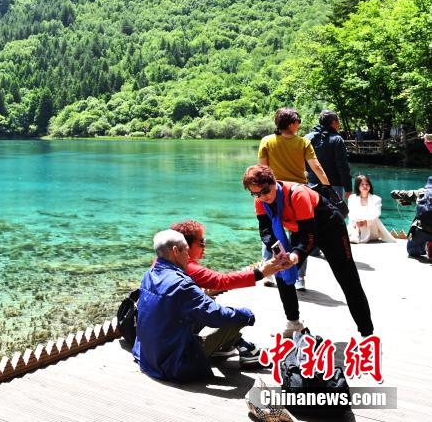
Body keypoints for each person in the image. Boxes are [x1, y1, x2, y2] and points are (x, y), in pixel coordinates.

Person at [243, 164, 373, 338]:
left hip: (330, 227)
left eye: (265, 191)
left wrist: (295, 256)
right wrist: (278, 251)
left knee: (348, 279)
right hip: (300, 229)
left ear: (274, 182)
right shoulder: (261, 200)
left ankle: (367, 334)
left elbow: (309, 236)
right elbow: (265, 230)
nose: (262, 197)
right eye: (256, 194)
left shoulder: (297, 194)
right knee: (281, 271)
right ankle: (294, 323)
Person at [133, 229, 256, 382]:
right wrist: (247, 315)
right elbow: (216, 316)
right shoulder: (181, 284)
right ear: (175, 251)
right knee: (232, 319)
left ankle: (233, 343)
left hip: (147, 357)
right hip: (173, 366)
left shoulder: (149, 274)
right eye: (186, 250)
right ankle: (236, 343)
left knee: (200, 310)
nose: (189, 256)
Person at [169, 220, 281, 366]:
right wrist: (261, 273)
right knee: (236, 317)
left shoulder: (162, 263)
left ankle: (233, 343)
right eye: (201, 242)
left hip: (159, 342)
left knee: (209, 302)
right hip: (178, 357)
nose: (205, 246)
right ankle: (237, 344)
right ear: (185, 246)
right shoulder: (188, 268)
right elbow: (222, 281)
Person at [258, 107, 330, 291]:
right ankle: (299, 278)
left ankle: (268, 271)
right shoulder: (303, 142)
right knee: (301, 236)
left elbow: (263, 170)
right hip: (297, 194)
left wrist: (262, 193)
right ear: (291, 123)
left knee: (272, 231)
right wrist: (327, 186)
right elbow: (316, 166)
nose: (299, 124)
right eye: (298, 121)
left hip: (274, 193)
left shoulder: (267, 141)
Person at [305, 110, 352, 202]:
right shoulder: (337, 139)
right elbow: (343, 166)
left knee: (314, 210)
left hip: (312, 184)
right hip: (334, 185)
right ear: (334, 122)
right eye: (338, 122)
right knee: (335, 210)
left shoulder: (307, 137)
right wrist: (348, 187)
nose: (339, 125)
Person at [347, 174, 395, 244]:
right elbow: (351, 213)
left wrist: (365, 222)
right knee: (352, 223)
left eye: (367, 184)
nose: (365, 186)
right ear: (357, 186)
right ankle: (355, 236)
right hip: (356, 224)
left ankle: (357, 237)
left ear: (370, 186)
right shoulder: (352, 198)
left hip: (371, 225)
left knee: (372, 220)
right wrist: (357, 221)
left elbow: (377, 213)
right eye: (362, 184)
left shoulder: (376, 199)